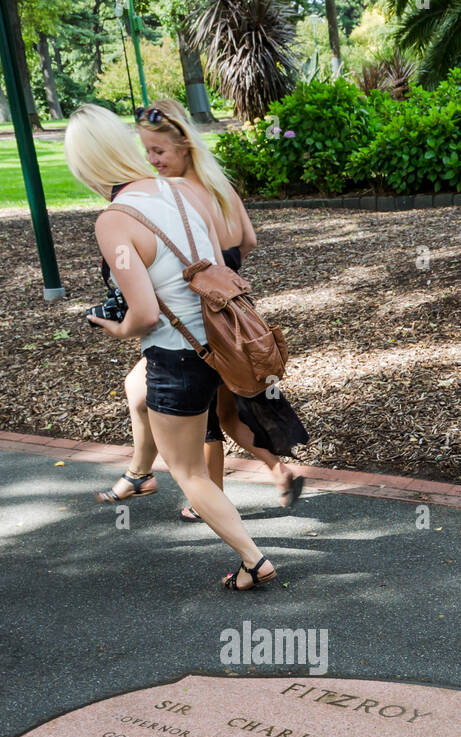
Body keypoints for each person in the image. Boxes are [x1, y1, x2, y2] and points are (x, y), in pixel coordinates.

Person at [65, 104, 276, 591]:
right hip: (219, 341)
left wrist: (114, 329)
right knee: (213, 438)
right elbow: (224, 256)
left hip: (175, 356)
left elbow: (144, 314)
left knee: (188, 473)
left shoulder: (113, 221)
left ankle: (252, 558)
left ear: (88, 166)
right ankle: (264, 504)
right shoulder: (184, 191)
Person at [120, 98, 307, 521]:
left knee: (193, 409)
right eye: (147, 152)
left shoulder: (177, 194)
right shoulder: (220, 185)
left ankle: (204, 496)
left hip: (201, 315)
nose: (152, 161)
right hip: (235, 310)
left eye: (159, 152)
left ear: (184, 146)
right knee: (225, 409)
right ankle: (279, 471)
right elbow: (249, 241)